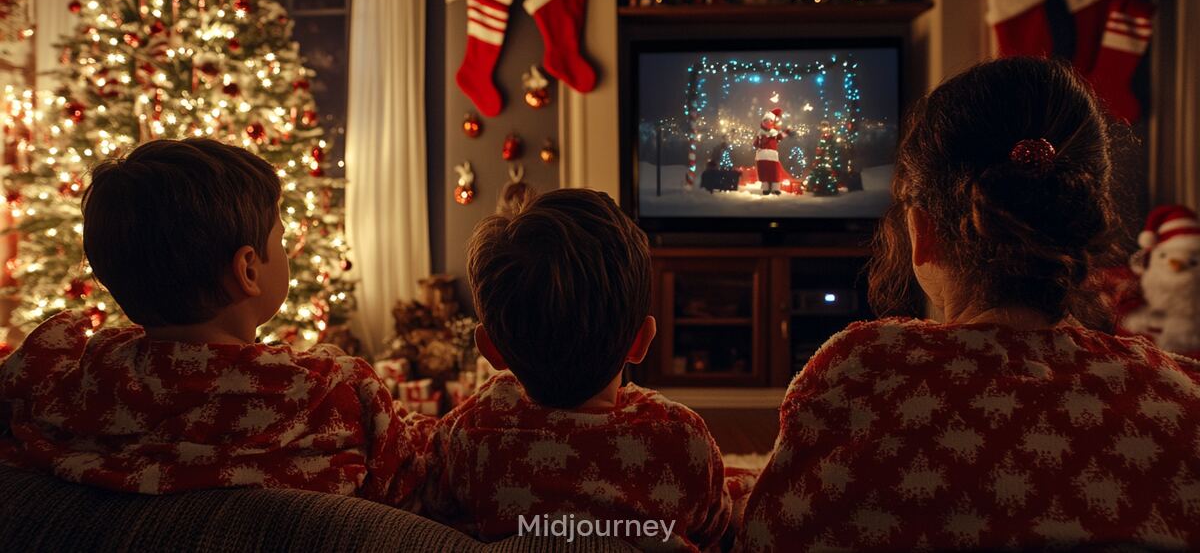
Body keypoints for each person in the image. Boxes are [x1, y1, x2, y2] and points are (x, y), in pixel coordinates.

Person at [736, 58, 1200, 551]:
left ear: (923, 233)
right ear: (1082, 221)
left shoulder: (859, 374)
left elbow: (767, 538)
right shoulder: (1182, 399)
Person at [0, 138, 431, 508]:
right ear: (248, 269)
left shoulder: (72, 386)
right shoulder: (328, 397)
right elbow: (415, 480)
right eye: (281, 237)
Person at [423, 189, 732, 550]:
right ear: (641, 342)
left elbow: (438, 506)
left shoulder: (471, 433)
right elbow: (715, 528)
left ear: (491, 350)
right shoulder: (682, 437)